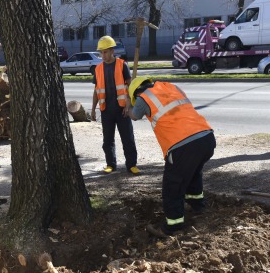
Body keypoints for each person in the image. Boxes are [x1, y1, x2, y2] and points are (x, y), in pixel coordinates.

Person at [127, 77, 216, 236]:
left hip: (182, 145)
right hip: (206, 137)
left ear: (135, 93)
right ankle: (198, 206)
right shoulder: (171, 87)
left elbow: (134, 115)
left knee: (172, 187)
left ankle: (173, 226)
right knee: (193, 173)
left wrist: (128, 104)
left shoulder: (143, 98)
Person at [90, 35, 139, 175]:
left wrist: (128, 105)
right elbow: (96, 91)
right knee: (108, 141)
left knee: (128, 139)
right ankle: (110, 164)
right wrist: (93, 109)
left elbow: (130, 86)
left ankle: (132, 165)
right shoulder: (98, 69)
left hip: (122, 110)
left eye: (105, 51)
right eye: (101, 52)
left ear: (112, 51)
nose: (103, 55)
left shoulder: (121, 65)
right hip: (106, 111)